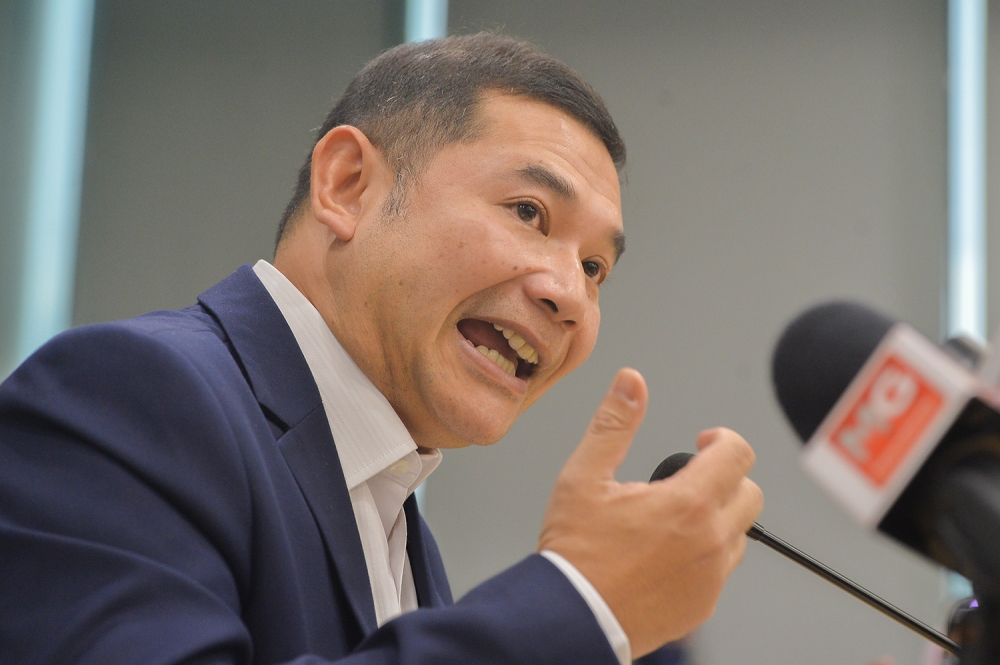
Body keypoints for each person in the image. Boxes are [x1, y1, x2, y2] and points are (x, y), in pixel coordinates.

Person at [0, 34, 762, 664]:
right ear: (348, 183)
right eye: (529, 211)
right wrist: (576, 599)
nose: (570, 293)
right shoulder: (127, 396)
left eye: (596, 268)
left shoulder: (403, 528)